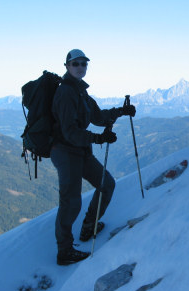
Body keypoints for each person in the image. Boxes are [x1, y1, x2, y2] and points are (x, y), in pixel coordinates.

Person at [51, 49, 136, 265]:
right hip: (65, 151)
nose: (81, 67)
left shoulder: (81, 92)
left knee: (106, 184)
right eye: (76, 63)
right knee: (71, 202)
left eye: (83, 64)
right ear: (67, 66)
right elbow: (69, 131)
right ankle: (65, 251)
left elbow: (97, 117)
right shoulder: (65, 93)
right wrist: (99, 139)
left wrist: (121, 111)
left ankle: (89, 226)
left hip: (81, 150)